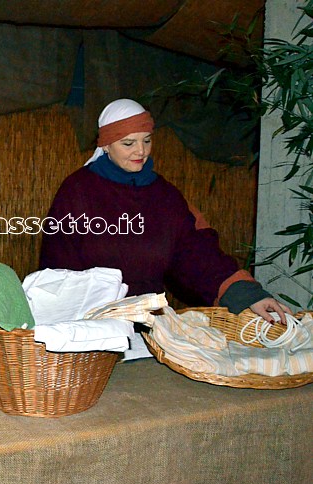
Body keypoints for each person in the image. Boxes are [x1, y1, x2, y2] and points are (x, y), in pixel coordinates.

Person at [39, 98, 289, 332]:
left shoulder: (165, 196)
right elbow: (58, 270)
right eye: (128, 143)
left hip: (149, 329)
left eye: (146, 140)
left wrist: (246, 294)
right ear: (106, 144)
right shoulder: (78, 192)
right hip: (89, 328)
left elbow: (197, 253)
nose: (141, 151)